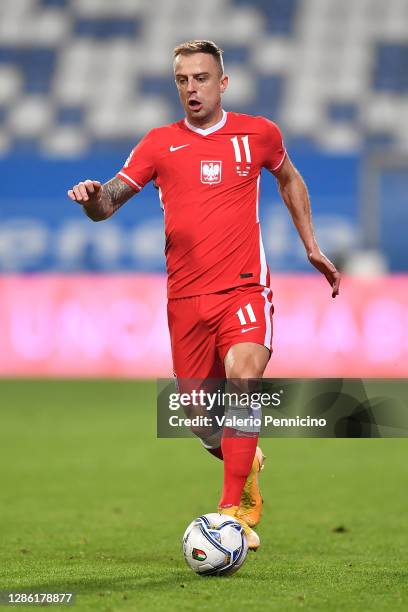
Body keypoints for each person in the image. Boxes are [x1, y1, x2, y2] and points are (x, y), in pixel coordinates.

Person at [68, 39, 340, 551]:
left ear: (223, 83)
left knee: (244, 377)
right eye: (182, 80)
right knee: (198, 419)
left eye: (201, 78)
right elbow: (107, 204)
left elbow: (289, 178)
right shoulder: (156, 144)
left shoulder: (258, 134)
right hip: (185, 301)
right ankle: (247, 462)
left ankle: (232, 511)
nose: (191, 89)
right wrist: (90, 198)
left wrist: (311, 245)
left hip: (243, 289)